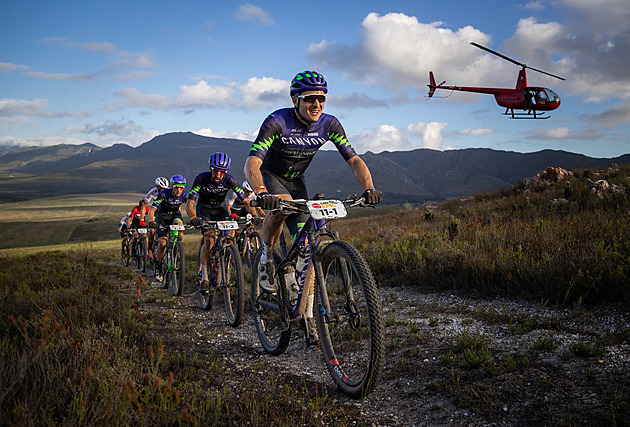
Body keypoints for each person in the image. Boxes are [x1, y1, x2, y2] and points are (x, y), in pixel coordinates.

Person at [243, 70, 382, 340]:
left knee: (308, 245)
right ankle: (267, 257)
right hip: (272, 178)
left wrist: (369, 188)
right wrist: (260, 190)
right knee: (281, 207)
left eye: (322, 98)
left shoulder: (330, 124)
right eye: (310, 99)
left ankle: (304, 305)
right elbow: (253, 161)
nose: (317, 105)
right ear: (296, 99)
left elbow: (353, 159)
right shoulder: (277, 121)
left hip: (297, 180)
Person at [186, 152, 255, 294]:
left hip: (221, 210)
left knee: (230, 234)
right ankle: (205, 277)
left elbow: (246, 201)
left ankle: (226, 258)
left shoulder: (230, 180)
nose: (218, 174)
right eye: (215, 170)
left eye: (222, 171)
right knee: (209, 239)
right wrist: (194, 217)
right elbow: (190, 203)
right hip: (204, 210)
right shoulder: (201, 178)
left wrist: (254, 215)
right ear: (210, 168)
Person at [148, 174, 189, 281]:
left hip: (175, 216)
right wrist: (151, 221)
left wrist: (194, 218)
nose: (179, 190)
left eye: (181, 187)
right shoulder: (163, 194)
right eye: (176, 187)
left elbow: (189, 207)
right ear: (171, 186)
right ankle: (159, 265)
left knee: (179, 226)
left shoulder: (184, 196)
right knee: (163, 243)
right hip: (162, 217)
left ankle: (177, 248)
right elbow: (152, 210)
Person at [141, 177, 170, 260]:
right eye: (161, 189)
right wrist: (142, 220)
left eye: (165, 189)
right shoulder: (153, 192)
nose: (163, 190)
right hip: (155, 212)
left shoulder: (169, 191)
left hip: (165, 212)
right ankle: (149, 249)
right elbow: (144, 206)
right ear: (157, 187)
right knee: (152, 230)